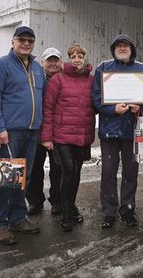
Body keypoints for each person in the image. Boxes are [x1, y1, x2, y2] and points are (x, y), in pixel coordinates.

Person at [0, 26, 46, 245]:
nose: (26, 43)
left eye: (30, 40)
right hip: (10, 132)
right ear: (13, 42)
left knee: (23, 178)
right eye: (21, 40)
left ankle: (18, 218)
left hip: (32, 131)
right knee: (5, 179)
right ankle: (0, 225)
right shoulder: (1, 66)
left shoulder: (37, 68)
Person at [92, 34, 143, 228]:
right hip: (109, 131)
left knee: (130, 173)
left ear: (132, 49)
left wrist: (140, 107)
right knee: (108, 172)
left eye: (126, 45)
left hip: (131, 131)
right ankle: (109, 211)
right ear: (113, 49)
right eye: (118, 46)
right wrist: (112, 109)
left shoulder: (142, 69)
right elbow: (96, 98)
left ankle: (127, 209)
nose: (122, 48)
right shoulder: (103, 68)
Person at [41, 43, 95, 232]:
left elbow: (98, 104)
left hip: (83, 135)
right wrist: (47, 137)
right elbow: (48, 109)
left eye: (80, 56)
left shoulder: (92, 80)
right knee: (68, 170)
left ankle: (71, 206)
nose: (77, 59)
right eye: (73, 56)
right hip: (62, 136)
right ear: (68, 59)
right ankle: (65, 213)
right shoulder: (58, 80)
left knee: (77, 173)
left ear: (85, 58)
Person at [26, 47, 63, 216]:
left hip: (59, 131)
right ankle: (35, 201)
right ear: (42, 63)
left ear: (61, 62)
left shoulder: (66, 79)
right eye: (49, 60)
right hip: (37, 129)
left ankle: (57, 200)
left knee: (58, 169)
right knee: (34, 169)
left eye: (56, 60)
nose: (53, 63)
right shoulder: (35, 78)